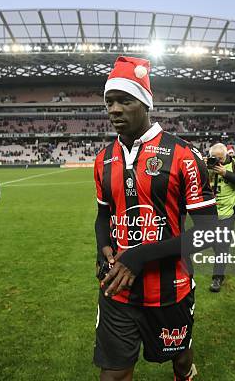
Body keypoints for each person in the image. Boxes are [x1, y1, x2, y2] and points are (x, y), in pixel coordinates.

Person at [93, 56, 217, 381]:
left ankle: (185, 371)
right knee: (114, 374)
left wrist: (141, 255)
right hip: (117, 290)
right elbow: (103, 214)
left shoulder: (185, 156)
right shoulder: (103, 159)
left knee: (179, 361)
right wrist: (102, 248)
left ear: (146, 103)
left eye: (125, 100)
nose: (114, 109)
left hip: (170, 290)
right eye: (109, 102)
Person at [207, 143, 235, 292]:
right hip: (209, 213)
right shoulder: (206, 164)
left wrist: (225, 173)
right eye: (214, 158)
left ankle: (217, 278)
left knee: (222, 247)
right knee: (214, 244)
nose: (217, 161)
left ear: (225, 155)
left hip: (227, 212)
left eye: (220, 158)